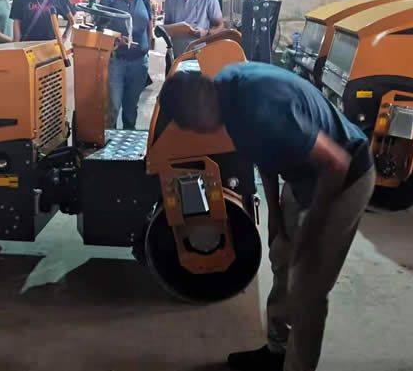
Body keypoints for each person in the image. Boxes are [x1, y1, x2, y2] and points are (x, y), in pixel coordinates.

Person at [157, 62, 376, 371]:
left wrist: (311, 226)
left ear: (201, 102)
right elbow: (261, 153)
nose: (196, 132)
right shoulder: (225, 93)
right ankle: (277, 351)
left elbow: (336, 162)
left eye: (191, 123)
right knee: (282, 256)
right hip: (304, 176)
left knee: (309, 286)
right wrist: (274, 213)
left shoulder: (259, 105)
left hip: (345, 179)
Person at [100, 0, 155, 129]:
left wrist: (149, 40)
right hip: (116, 61)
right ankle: (109, 140)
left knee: (131, 108)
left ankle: (128, 138)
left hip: (139, 63)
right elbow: (98, 29)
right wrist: (115, 39)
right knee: (113, 106)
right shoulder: (109, 0)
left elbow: (149, 21)